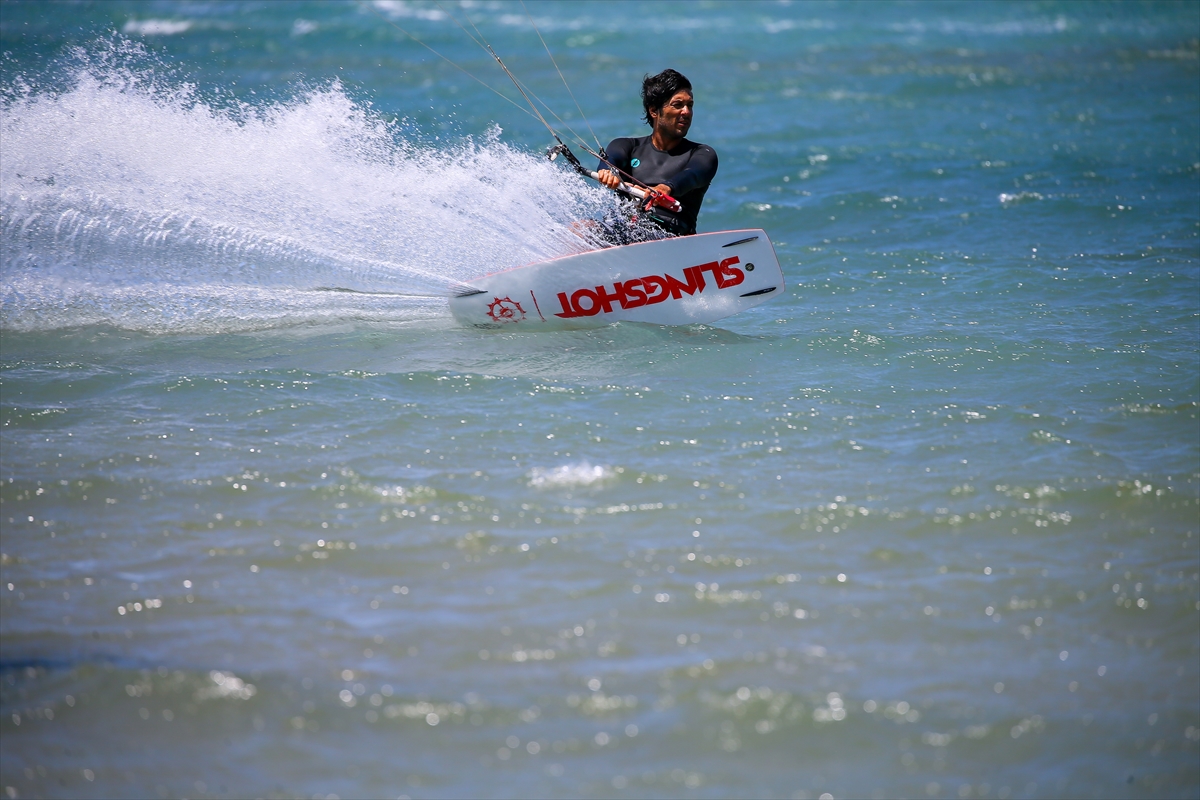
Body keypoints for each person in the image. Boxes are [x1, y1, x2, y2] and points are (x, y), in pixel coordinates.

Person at [596, 69, 718, 237]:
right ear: (654, 111)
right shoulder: (626, 146)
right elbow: (612, 160)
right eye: (678, 105)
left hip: (670, 238)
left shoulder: (701, 154)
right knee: (580, 227)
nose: (686, 112)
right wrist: (608, 173)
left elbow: (693, 175)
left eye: (689, 105)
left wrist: (665, 188)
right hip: (621, 233)